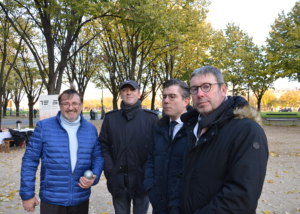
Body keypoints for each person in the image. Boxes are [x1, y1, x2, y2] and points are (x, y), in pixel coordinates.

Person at [168, 66, 268, 214]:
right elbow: (183, 175)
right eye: (194, 89)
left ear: (223, 90)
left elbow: (240, 198)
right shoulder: (193, 127)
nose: (200, 94)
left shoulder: (247, 131)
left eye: (206, 87)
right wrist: (174, 208)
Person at [20, 88, 104, 214]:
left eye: (75, 103)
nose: (71, 107)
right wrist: (27, 195)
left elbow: (97, 158)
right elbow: (29, 161)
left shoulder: (91, 129)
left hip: (80, 198)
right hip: (52, 199)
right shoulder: (44, 127)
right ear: (60, 106)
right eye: (66, 103)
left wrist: (94, 176)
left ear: (81, 105)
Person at [99, 80, 159, 214]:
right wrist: (110, 170)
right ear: (120, 95)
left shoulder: (151, 119)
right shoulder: (110, 118)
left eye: (132, 90)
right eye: (125, 90)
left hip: (142, 180)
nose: (128, 92)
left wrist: (147, 173)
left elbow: (157, 149)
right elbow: (103, 144)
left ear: (139, 94)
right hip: (117, 179)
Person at [144, 79, 191, 214]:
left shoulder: (195, 130)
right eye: (164, 96)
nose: (166, 101)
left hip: (182, 206)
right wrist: (150, 186)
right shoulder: (159, 127)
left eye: (172, 97)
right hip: (158, 202)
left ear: (186, 101)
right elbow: (151, 158)